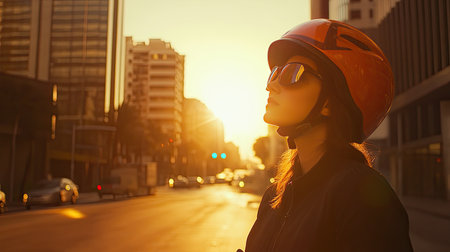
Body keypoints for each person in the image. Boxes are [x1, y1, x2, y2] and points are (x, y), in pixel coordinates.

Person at [242, 19, 414, 252]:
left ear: (329, 104)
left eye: (293, 74)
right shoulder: (276, 194)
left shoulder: (361, 196)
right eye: (274, 73)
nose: (271, 86)